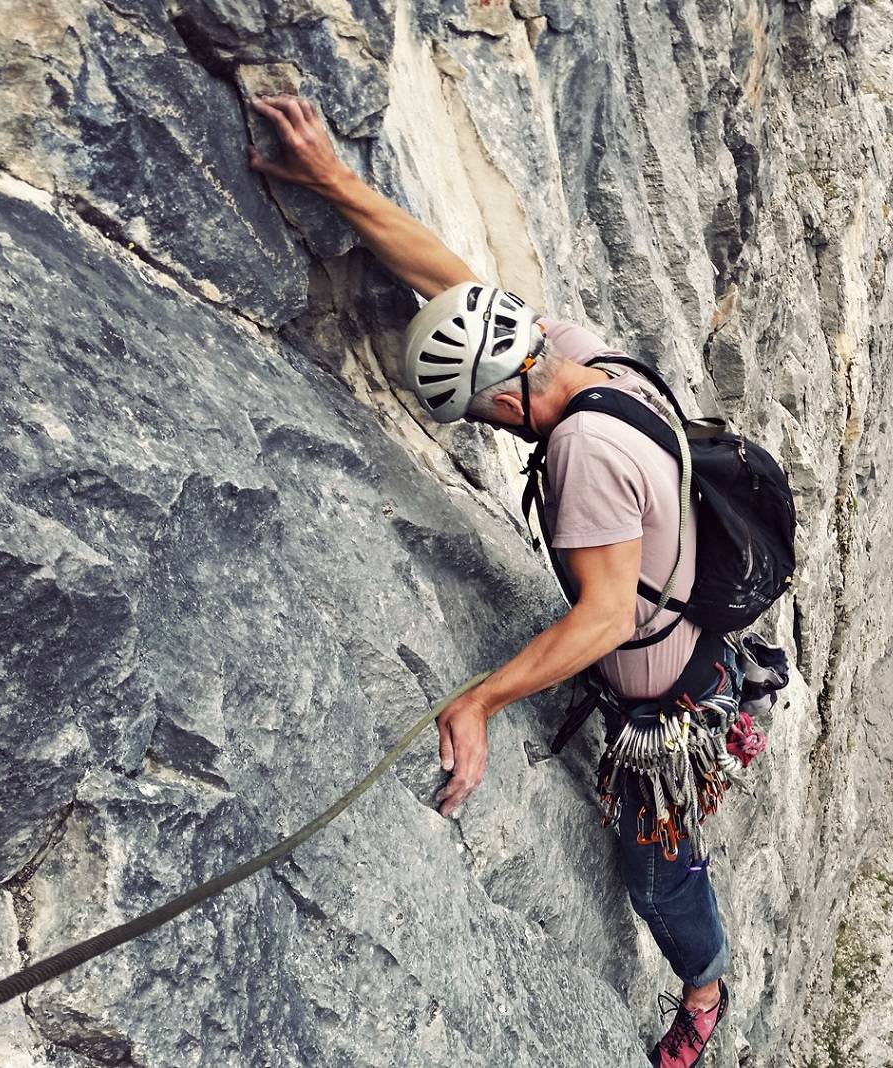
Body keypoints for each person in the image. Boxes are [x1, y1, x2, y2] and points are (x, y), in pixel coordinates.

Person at [247, 94, 729, 1068]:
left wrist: (479, 701)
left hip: (663, 700)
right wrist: (336, 181)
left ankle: (705, 986)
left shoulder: (584, 452)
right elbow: (454, 284)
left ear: (509, 392)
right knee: (655, 851)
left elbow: (600, 621)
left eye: (488, 416)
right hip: (684, 637)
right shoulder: (579, 354)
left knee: (657, 868)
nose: (498, 430)